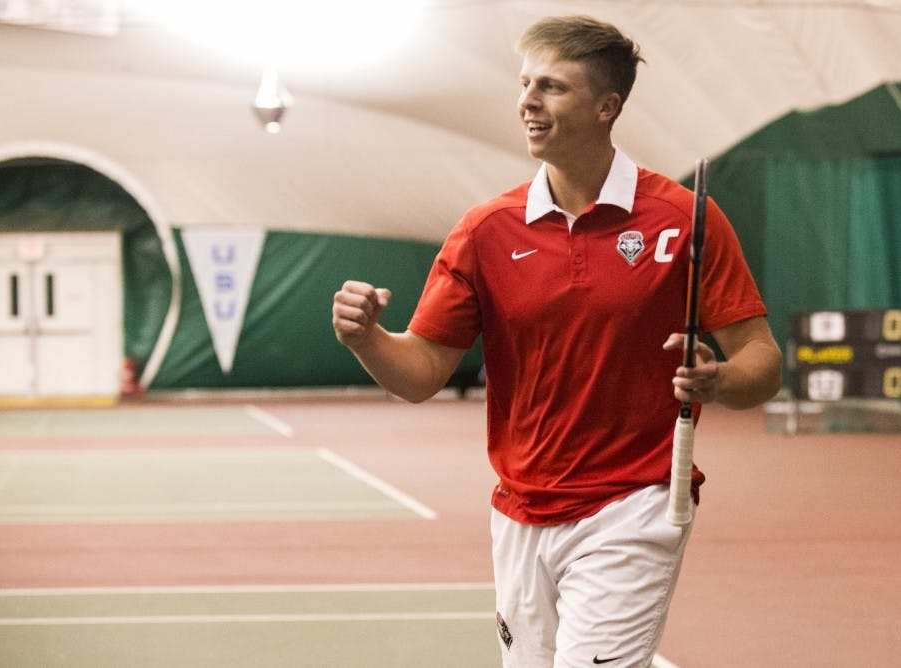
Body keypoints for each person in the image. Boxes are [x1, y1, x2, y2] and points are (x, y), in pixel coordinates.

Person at [332, 15, 781, 668]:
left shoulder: (684, 220)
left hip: (637, 503)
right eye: (525, 84)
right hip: (520, 512)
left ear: (607, 107)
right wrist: (368, 338)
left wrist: (720, 380)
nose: (528, 102)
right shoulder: (485, 230)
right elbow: (423, 372)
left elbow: (761, 362)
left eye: (552, 87)